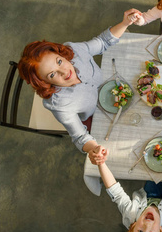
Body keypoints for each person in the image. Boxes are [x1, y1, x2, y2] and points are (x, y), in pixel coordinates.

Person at [17, 9, 139, 163]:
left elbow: (103, 42)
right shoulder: (59, 104)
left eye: (59, 61)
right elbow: (80, 136)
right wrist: (93, 149)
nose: (64, 71)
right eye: (52, 75)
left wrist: (125, 23)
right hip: (96, 116)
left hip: (112, 89)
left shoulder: (74, 50)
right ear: (45, 83)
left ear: (60, 54)